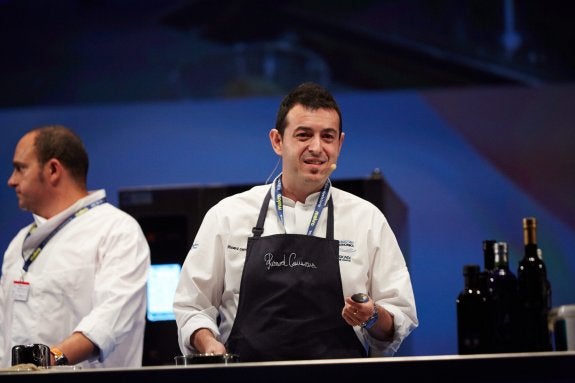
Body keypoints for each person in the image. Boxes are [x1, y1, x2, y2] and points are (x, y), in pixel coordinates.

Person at [173, 82, 418, 362]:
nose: (317, 147)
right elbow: (192, 305)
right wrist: (208, 343)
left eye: (328, 137)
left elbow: (399, 317)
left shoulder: (367, 219)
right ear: (277, 141)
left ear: (340, 143)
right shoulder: (227, 215)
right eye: (304, 135)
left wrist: (372, 316)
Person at [0, 125, 151, 368]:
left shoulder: (117, 230)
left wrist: (47, 361)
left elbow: (109, 320)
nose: (11, 181)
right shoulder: (19, 242)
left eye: (20, 168)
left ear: (53, 170)